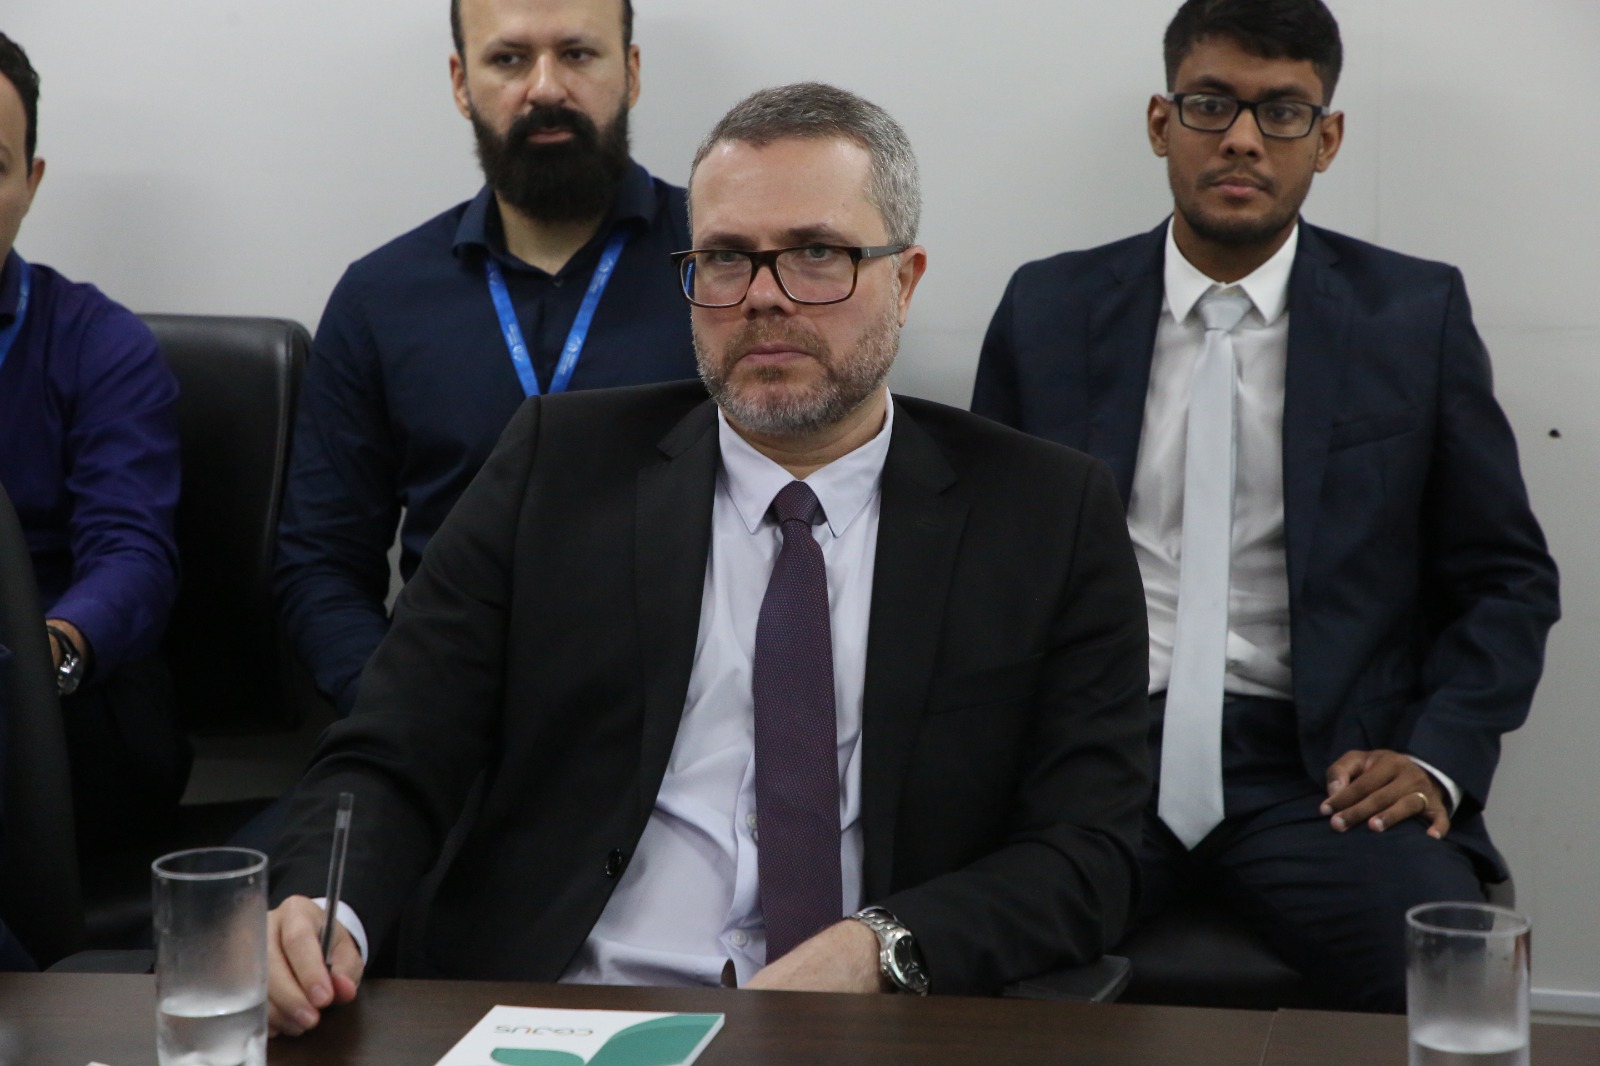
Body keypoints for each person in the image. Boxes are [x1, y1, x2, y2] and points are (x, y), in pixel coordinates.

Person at [263, 82, 1151, 1036]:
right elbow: (393, 749)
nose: (763, 296)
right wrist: (326, 907)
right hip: (565, 1015)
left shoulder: (1045, 514)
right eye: (725, 258)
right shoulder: (555, 467)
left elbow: (1088, 852)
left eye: (817, 254)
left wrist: (881, 947)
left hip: (862, 1028)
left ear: (905, 280)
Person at [972, 0, 1560, 1012]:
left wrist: (1432, 758)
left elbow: (1505, 580)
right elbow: (980, 567)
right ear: (1160, 123)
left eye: (1282, 111)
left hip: (1324, 775)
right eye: (1210, 104)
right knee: (958, 962)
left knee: (1455, 989)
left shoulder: (1411, 316)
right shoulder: (1048, 309)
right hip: (1096, 758)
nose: (1242, 138)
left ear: (1326, 139)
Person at [275, 0, 699, 716]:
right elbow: (321, 563)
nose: (545, 88)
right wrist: (392, 718)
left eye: (577, 54)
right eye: (508, 59)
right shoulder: (380, 298)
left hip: (682, 722)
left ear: (630, 72)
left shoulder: (728, 270)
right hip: (445, 715)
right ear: (460, 82)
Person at [0, 33, 188, 854]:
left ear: (30, 184)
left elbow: (132, 558)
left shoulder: (99, 345)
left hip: (61, 693)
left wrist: (46, 658)